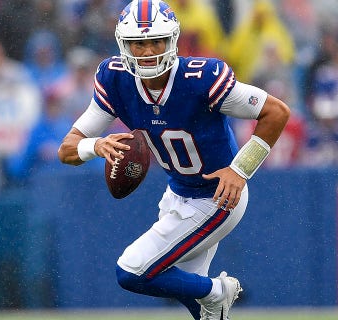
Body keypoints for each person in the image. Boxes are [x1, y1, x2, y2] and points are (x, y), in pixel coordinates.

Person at [57, 1, 290, 319]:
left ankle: (218, 291)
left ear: (173, 41)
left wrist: (241, 169)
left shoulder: (200, 78)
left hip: (217, 198)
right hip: (177, 194)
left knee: (132, 270)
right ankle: (212, 302)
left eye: (157, 41)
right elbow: (67, 149)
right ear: (124, 45)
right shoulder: (116, 80)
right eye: (139, 44)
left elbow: (276, 112)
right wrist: (95, 146)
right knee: (199, 307)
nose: (149, 51)